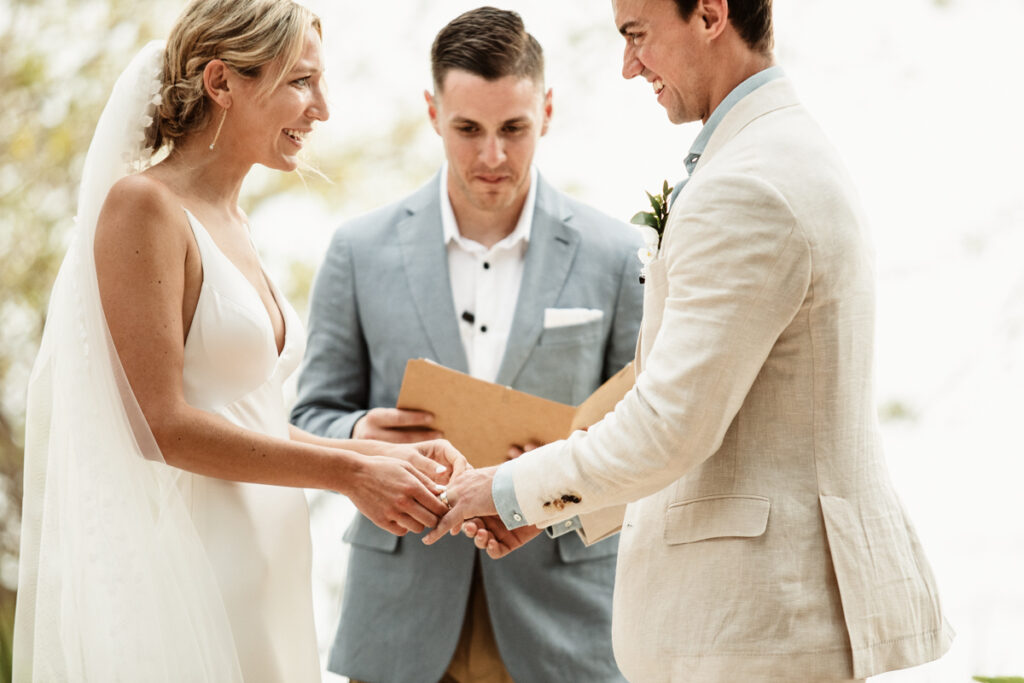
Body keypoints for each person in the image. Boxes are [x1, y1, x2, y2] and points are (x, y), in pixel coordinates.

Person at [425, 0, 955, 681]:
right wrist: (557, 507)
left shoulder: (747, 183)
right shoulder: (777, 151)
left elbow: (669, 426)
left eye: (637, 34)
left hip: (758, 627)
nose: (628, 66)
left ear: (709, 14)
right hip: (769, 622)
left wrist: (507, 489)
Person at [13, 1, 467, 681]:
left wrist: (375, 454)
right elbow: (161, 425)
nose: (323, 109)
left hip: (274, 560)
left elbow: (250, 417)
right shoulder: (144, 206)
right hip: (199, 567)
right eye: (301, 82)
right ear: (222, 82)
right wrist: (349, 474)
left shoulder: (237, 222)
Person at [290, 7, 643, 683]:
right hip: (400, 620)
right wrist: (363, 434)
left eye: (513, 128)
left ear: (547, 110)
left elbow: (647, 437)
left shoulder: (618, 255)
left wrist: (563, 473)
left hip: (568, 623)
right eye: (468, 129)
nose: (492, 157)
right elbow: (308, 419)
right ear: (432, 113)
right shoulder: (358, 251)